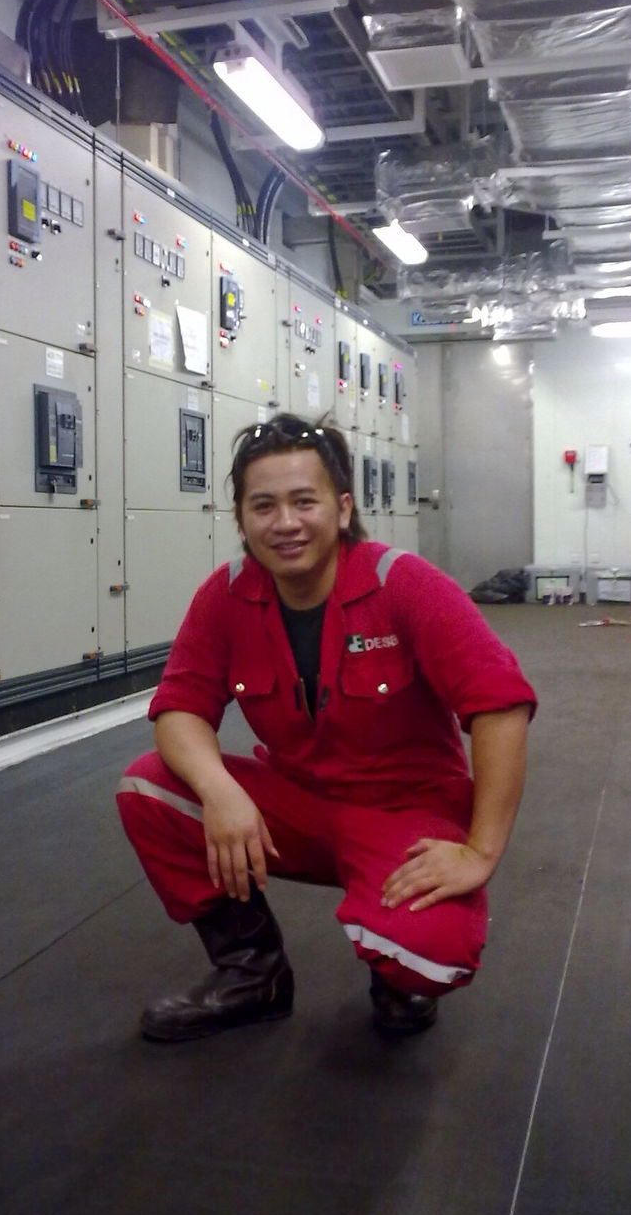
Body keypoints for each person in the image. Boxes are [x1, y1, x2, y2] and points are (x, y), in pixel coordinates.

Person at [116, 413, 536, 1041]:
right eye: (263, 506)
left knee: (432, 954)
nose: (285, 523)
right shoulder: (226, 596)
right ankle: (252, 974)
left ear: (341, 509)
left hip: (405, 817)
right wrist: (221, 792)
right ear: (241, 520)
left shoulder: (405, 585)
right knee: (148, 787)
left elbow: (500, 705)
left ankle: (398, 976)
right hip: (297, 808)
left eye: (303, 501)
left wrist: (480, 851)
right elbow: (180, 710)